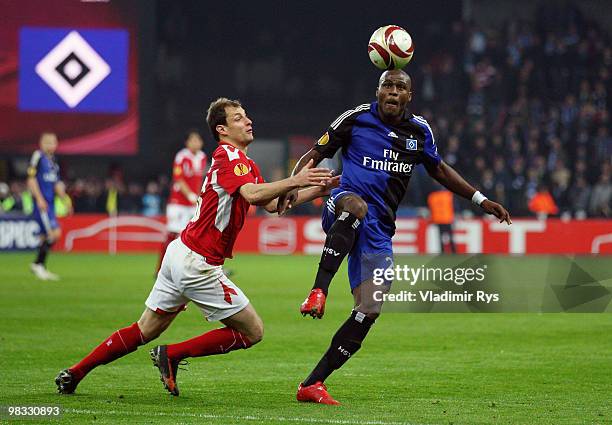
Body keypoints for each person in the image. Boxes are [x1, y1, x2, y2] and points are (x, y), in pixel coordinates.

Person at [55, 97, 338, 396]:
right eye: (239, 118)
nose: (248, 120)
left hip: (180, 253)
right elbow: (254, 194)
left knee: (145, 329)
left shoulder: (245, 163)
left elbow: (271, 203)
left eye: (246, 115)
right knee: (253, 331)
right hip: (198, 264)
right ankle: (173, 354)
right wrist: (296, 179)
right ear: (222, 129)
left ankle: (76, 372)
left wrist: (320, 188)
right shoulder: (229, 156)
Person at [282, 70, 511, 405]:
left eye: (399, 87)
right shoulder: (355, 119)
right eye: (386, 85)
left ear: (409, 95)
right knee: (356, 207)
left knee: (370, 308)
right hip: (344, 203)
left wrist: (481, 200)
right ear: (377, 91)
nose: (392, 91)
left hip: (380, 231)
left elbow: (440, 170)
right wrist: (292, 184)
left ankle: (312, 384)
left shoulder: (419, 131)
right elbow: (315, 155)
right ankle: (318, 290)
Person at [157, 130, 207, 272]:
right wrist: (191, 195)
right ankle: (161, 269)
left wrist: (198, 196)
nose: (196, 143)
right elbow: (178, 178)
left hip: (192, 204)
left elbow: (199, 180)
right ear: (187, 142)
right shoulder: (181, 156)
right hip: (178, 203)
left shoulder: (202, 157)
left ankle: (195, 268)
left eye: (198, 140)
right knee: (172, 235)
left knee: (196, 236)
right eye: (193, 140)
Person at [27, 132, 68, 281]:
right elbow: (31, 179)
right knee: (54, 233)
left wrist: (65, 199)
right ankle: (38, 264)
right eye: (47, 142)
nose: (50, 145)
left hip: (50, 204)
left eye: (53, 142)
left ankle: (41, 266)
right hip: (42, 203)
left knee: (45, 236)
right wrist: (39, 199)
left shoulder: (53, 163)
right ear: (41, 143)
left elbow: (56, 184)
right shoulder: (38, 157)